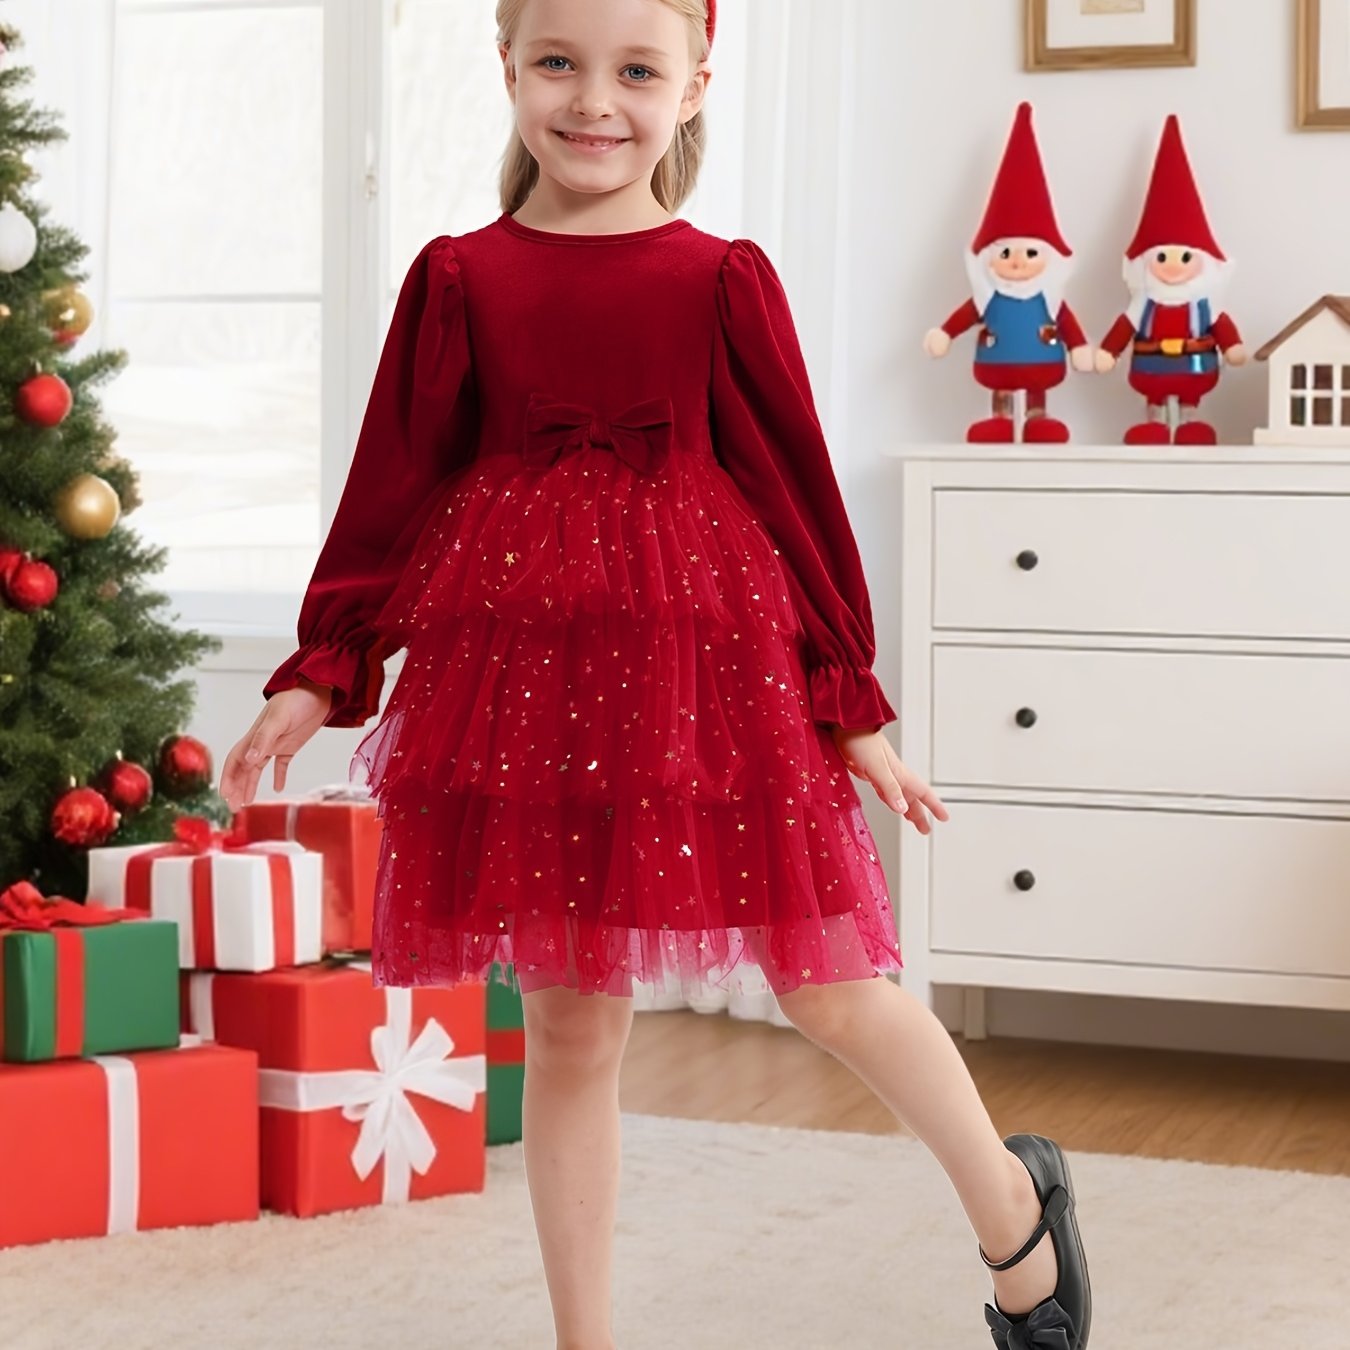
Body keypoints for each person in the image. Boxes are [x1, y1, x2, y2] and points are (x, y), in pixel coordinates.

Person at [219, 2, 1092, 1346]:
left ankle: (1013, 1203)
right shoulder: (458, 278)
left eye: (635, 70)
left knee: (825, 982)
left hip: (708, 683)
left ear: (692, 88)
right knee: (570, 1029)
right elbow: (392, 484)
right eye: (558, 64)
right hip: (527, 690)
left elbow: (799, 496)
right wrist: (321, 669)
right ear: (507, 68)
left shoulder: (719, 278)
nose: (593, 101)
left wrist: (847, 699)